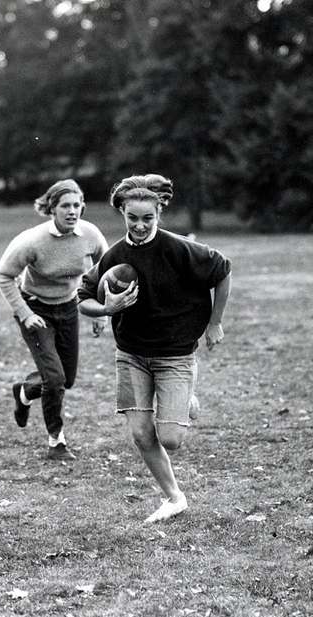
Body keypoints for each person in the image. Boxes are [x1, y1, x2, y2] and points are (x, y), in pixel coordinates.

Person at [78, 174, 231, 523]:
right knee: (141, 433)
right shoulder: (115, 255)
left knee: (172, 438)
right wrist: (106, 309)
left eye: (148, 218)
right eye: (133, 218)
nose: (141, 225)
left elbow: (223, 270)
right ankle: (174, 497)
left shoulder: (180, 249)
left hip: (175, 355)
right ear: (122, 214)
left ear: (159, 212)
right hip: (130, 354)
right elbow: (83, 298)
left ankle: (187, 388)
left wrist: (215, 322)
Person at [0, 179, 108, 461]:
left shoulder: (91, 235)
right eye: (65, 206)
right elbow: (4, 276)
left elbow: (104, 270)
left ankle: (24, 392)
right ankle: (56, 442)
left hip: (68, 307)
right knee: (55, 379)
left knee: (65, 379)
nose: (72, 211)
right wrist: (25, 313)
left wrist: (101, 310)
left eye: (76, 205)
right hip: (36, 311)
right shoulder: (32, 241)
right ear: (51, 209)